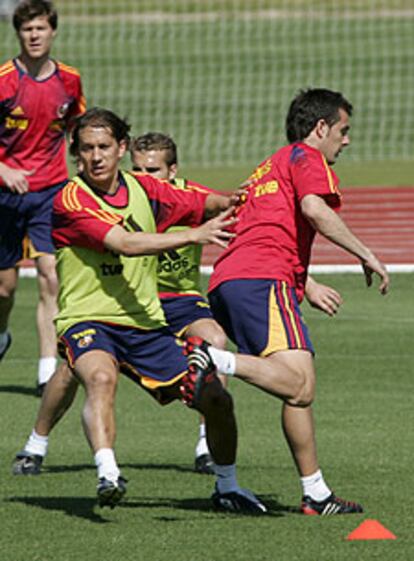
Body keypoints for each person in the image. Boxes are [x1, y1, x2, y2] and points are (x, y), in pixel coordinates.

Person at [13, 107, 265, 513]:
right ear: (75, 153)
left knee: (216, 398)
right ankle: (108, 472)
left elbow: (202, 201)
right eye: (86, 149)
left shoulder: (145, 189)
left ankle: (228, 486)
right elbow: (126, 243)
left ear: (121, 148)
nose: (95, 157)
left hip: (145, 323)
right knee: (98, 376)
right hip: (88, 318)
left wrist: (235, 201)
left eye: (104, 147)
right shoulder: (70, 199)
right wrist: (195, 235)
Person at [185, 88, 390, 515]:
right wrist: (364, 252)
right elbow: (314, 209)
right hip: (262, 281)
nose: (346, 140)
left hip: (232, 280)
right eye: (343, 130)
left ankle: (309, 493)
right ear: (321, 128)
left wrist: (306, 282)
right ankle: (215, 359)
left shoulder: (272, 164)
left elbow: (265, 229)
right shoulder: (307, 159)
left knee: (296, 390)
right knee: (300, 383)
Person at [130, 132, 229, 475]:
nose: (143, 179)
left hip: (183, 300)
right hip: (132, 302)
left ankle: (207, 443)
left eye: (152, 170)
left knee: (215, 341)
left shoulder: (194, 199)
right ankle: (36, 445)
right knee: (73, 368)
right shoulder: (122, 198)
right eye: (137, 169)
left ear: (173, 170)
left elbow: (233, 214)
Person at [0, 0, 85, 394]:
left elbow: (75, 127)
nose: (34, 36)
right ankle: (1, 335)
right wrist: (4, 170)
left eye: (40, 29)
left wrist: (84, 169)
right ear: (18, 35)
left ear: (53, 32)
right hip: (4, 193)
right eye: (27, 30)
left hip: (50, 189)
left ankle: (46, 368)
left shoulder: (69, 80)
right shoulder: (3, 80)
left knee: (52, 276)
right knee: (4, 287)